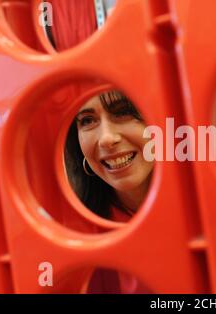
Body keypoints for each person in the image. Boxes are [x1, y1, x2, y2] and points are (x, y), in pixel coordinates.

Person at [65, 89, 153, 293]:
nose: (106, 138)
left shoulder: (208, 214)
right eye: (87, 120)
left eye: (123, 112)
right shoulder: (72, 235)